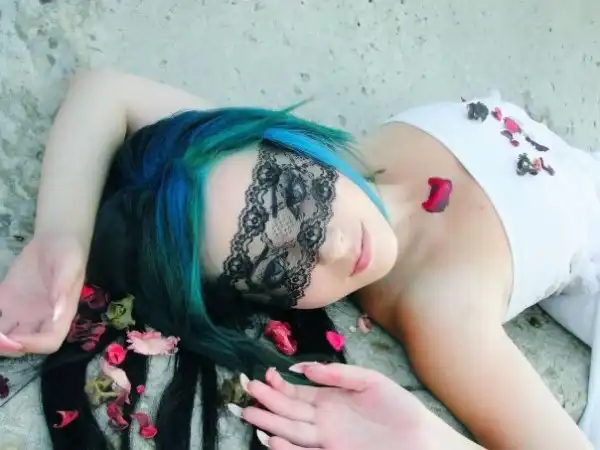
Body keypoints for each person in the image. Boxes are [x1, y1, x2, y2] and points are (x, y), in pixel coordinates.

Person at [0, 67, 597, 450]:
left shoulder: (267, 162)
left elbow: (105, 89)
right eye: (276, 267)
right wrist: (424, 440)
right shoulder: (444, 314)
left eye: (293, 196)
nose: (330, 246)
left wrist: (59, 240)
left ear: (285, 143)